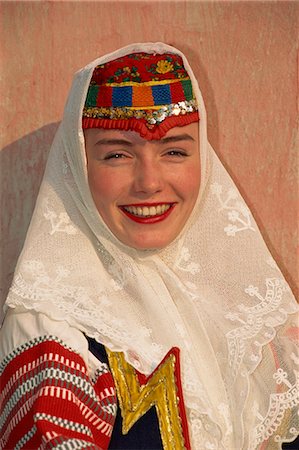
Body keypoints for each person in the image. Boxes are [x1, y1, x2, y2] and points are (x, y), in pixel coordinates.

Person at [0, 42, 298, 450]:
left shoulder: (247, 314)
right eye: (118, 154)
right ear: (78, 165)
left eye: (175, 151)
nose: (149, 182)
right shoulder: (51, 329)